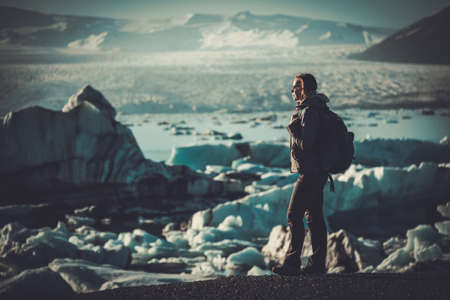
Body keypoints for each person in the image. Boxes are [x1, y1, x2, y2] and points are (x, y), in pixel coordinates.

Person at [273, 73, 330, 275]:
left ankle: (292, 263)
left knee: (293, 215)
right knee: (314, 217)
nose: (292, 90)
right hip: (318, 171)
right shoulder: (317, 108)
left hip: (311, 172)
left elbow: (307, 144)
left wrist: (293, 128)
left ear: (304, 88)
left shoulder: (309, 111)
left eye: (296, 86)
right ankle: (316, 264)